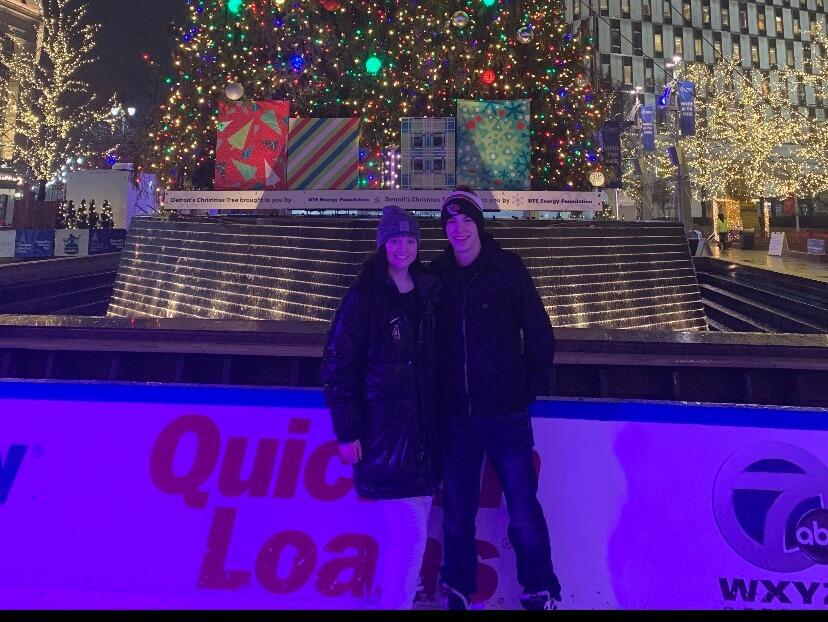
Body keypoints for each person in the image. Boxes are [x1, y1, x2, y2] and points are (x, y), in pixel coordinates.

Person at [430, 189, 562, 611]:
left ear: (479, 224)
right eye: (451, 223)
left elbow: (538, 331)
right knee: (457, 510)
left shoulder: (508, 270)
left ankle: (540, 587)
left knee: (522, 507)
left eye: (466, 220)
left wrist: (528, 385)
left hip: (506, 411)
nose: (459, 229)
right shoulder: (437, 275)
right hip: (456, 415)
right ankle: (457, 586)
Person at [320, 205, 441, 609]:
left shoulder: (429, 289)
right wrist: (348, 429)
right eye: (394, 239)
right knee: (408, 537)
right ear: (382, 244)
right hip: (385, 435)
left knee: (414, 532)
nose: (402, 247)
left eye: (409, 239)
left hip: (425, 435)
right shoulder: (364, 297)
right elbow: (339, 363)